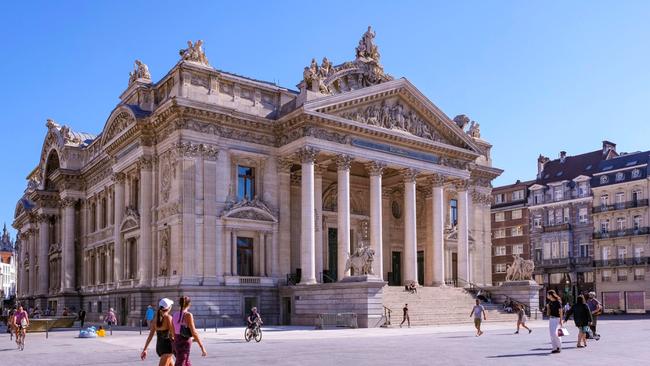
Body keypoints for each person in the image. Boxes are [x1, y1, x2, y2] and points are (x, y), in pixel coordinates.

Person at [172, 296, 207, 365]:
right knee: (181, 363)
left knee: (186, 362)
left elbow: (173, 331)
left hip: (176, 341)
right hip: (184, 342)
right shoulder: (188, 315)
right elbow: (194, 332)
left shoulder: (174, 315)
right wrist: (202, 347)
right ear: (189, 304)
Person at [141, 298, 175, 366]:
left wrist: (145, 349)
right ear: (169, 308)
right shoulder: (168, 317)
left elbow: (150, 336)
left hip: (159, 347)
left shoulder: (155, 319)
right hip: (167, 348)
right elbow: (174, 334)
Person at [545, 289, 564, 354]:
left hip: (557, 319)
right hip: (551, 319)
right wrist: (547, 307)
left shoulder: (558, 302)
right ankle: (554, 348)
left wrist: (561, 320)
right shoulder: (550, 303)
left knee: (556, 333)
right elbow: (548, 314)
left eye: (547, 294)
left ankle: (559, 347)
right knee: (552, 334)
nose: (547, 296)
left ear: (551, 295)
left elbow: (561, 311)